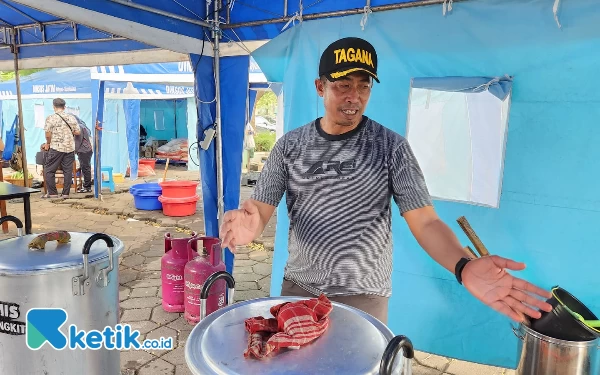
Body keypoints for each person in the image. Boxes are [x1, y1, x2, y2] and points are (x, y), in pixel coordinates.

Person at [219, 37, 552, 324]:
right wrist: (251, 226)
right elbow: (259, 210)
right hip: (299, 289)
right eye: (343, 85)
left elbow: (426, 222)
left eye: (363, 85)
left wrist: (463, 266)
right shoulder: (289, 146)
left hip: (364, 297)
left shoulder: (391, 147)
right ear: (320, 87)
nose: (354, 96)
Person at [41, 98, 81, 199]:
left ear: (54, 107)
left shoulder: (50, 118)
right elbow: (78, 132)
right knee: (68, 170)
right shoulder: (71, 118)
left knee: (49, 170)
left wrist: (48, 143)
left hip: (56, 147)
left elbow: (48, 133)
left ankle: (53, 193)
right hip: (70, 148)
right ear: (64, 107)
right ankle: (65, 194)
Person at [73, 117, 93, 193]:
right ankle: (86, 186)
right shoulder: (82, 126)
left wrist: (74, 151)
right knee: (85, 168)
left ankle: (87, 187)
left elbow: (78, 141)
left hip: (84, 150)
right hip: (86, 150)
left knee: (85, 168)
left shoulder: (79, 127)